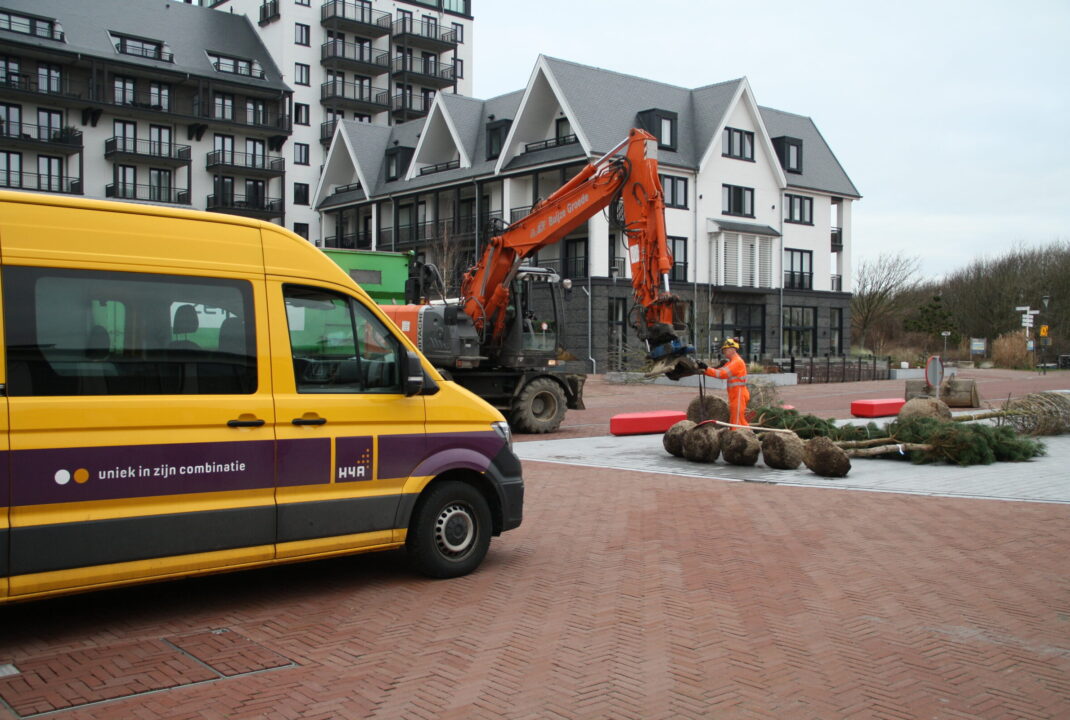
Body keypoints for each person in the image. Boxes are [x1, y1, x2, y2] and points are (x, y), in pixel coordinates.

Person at [696, 339, 750, 426]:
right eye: (723, 350)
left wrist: (706, 368)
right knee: (736, 420)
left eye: (726, 350)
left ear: (733, 349)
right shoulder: (732, 362)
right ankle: (740, 436)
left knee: (737, 422)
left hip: (739, 394)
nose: (724, 352)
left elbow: (721, 374)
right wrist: (705, 370)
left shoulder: (737, 362)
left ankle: (740, 437)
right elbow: (719, 371)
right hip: (736, 394)